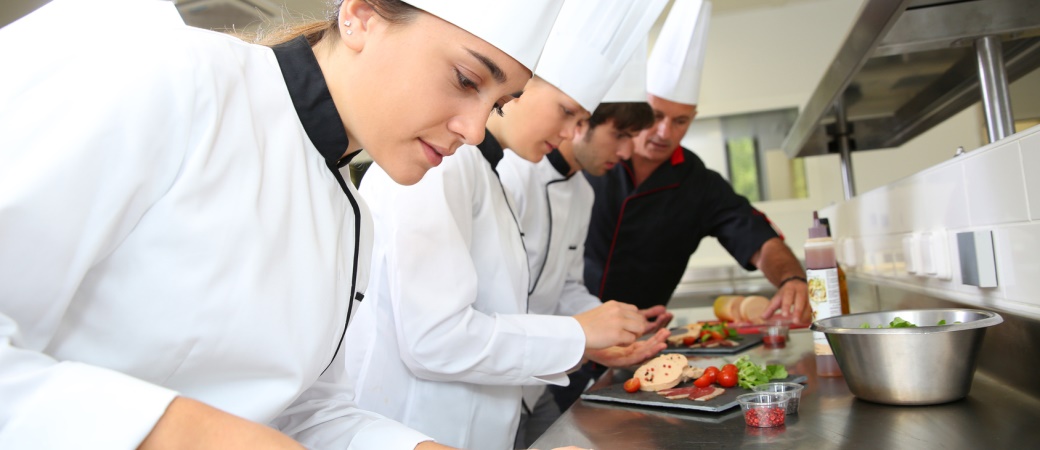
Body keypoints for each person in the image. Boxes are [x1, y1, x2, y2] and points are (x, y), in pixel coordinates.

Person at [0, 0, 565, 448]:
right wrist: (182, 431)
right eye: (467, 79)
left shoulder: (352, 217)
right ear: (361, 16)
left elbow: (300, 412)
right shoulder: (173, 76)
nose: (473, 130)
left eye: (497, 104)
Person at [343, 1, 664, 448]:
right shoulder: (441, 167)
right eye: (567, 112)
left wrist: (589, 336)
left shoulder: (482, 173)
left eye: (581, 120)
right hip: (422, 428)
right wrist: (577, 334)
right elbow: (435, 339)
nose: (573, 133)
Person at [550, 0, 810, 414]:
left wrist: (792, 278)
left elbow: (757, 237)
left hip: (641, 351)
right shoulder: (588, 162)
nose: (663, 132)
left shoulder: (699, 184)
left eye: (681, 121)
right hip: (560, 342)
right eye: (654, 116)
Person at [496, 37, 672, 448]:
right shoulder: (511, 173)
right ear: (581, 125)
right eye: (620, 135)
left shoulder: (583, 193)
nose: (628, 152)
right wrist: (582, 336)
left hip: (534, 384)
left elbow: (566, 288)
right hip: (498, 374)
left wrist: (617, 325)